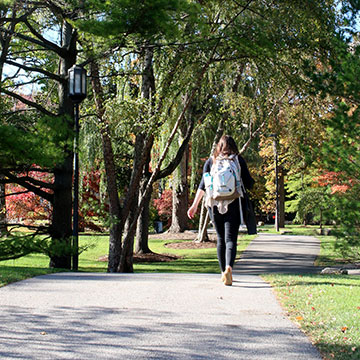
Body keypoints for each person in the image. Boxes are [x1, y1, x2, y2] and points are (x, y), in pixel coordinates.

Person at [187, 135, 255, 286]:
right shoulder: (238, 160)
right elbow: (249, 183)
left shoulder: (211, 162)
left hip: (214, 204)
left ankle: (222, 273)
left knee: (220, 238)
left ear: (219, 146)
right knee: (231, 239)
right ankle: (229, 268)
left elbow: (202, 186)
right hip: (234, 203)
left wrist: (194, 205)